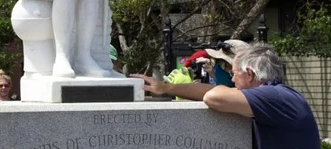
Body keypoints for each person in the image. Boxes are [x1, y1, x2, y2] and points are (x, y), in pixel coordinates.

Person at [131, 43, 320, 149]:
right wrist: (165, 88)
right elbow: (211, 91)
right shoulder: (277, 96)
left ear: (250, 74)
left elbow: (214, 97)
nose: (230, 76)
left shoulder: (276, 96)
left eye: (233, 70)